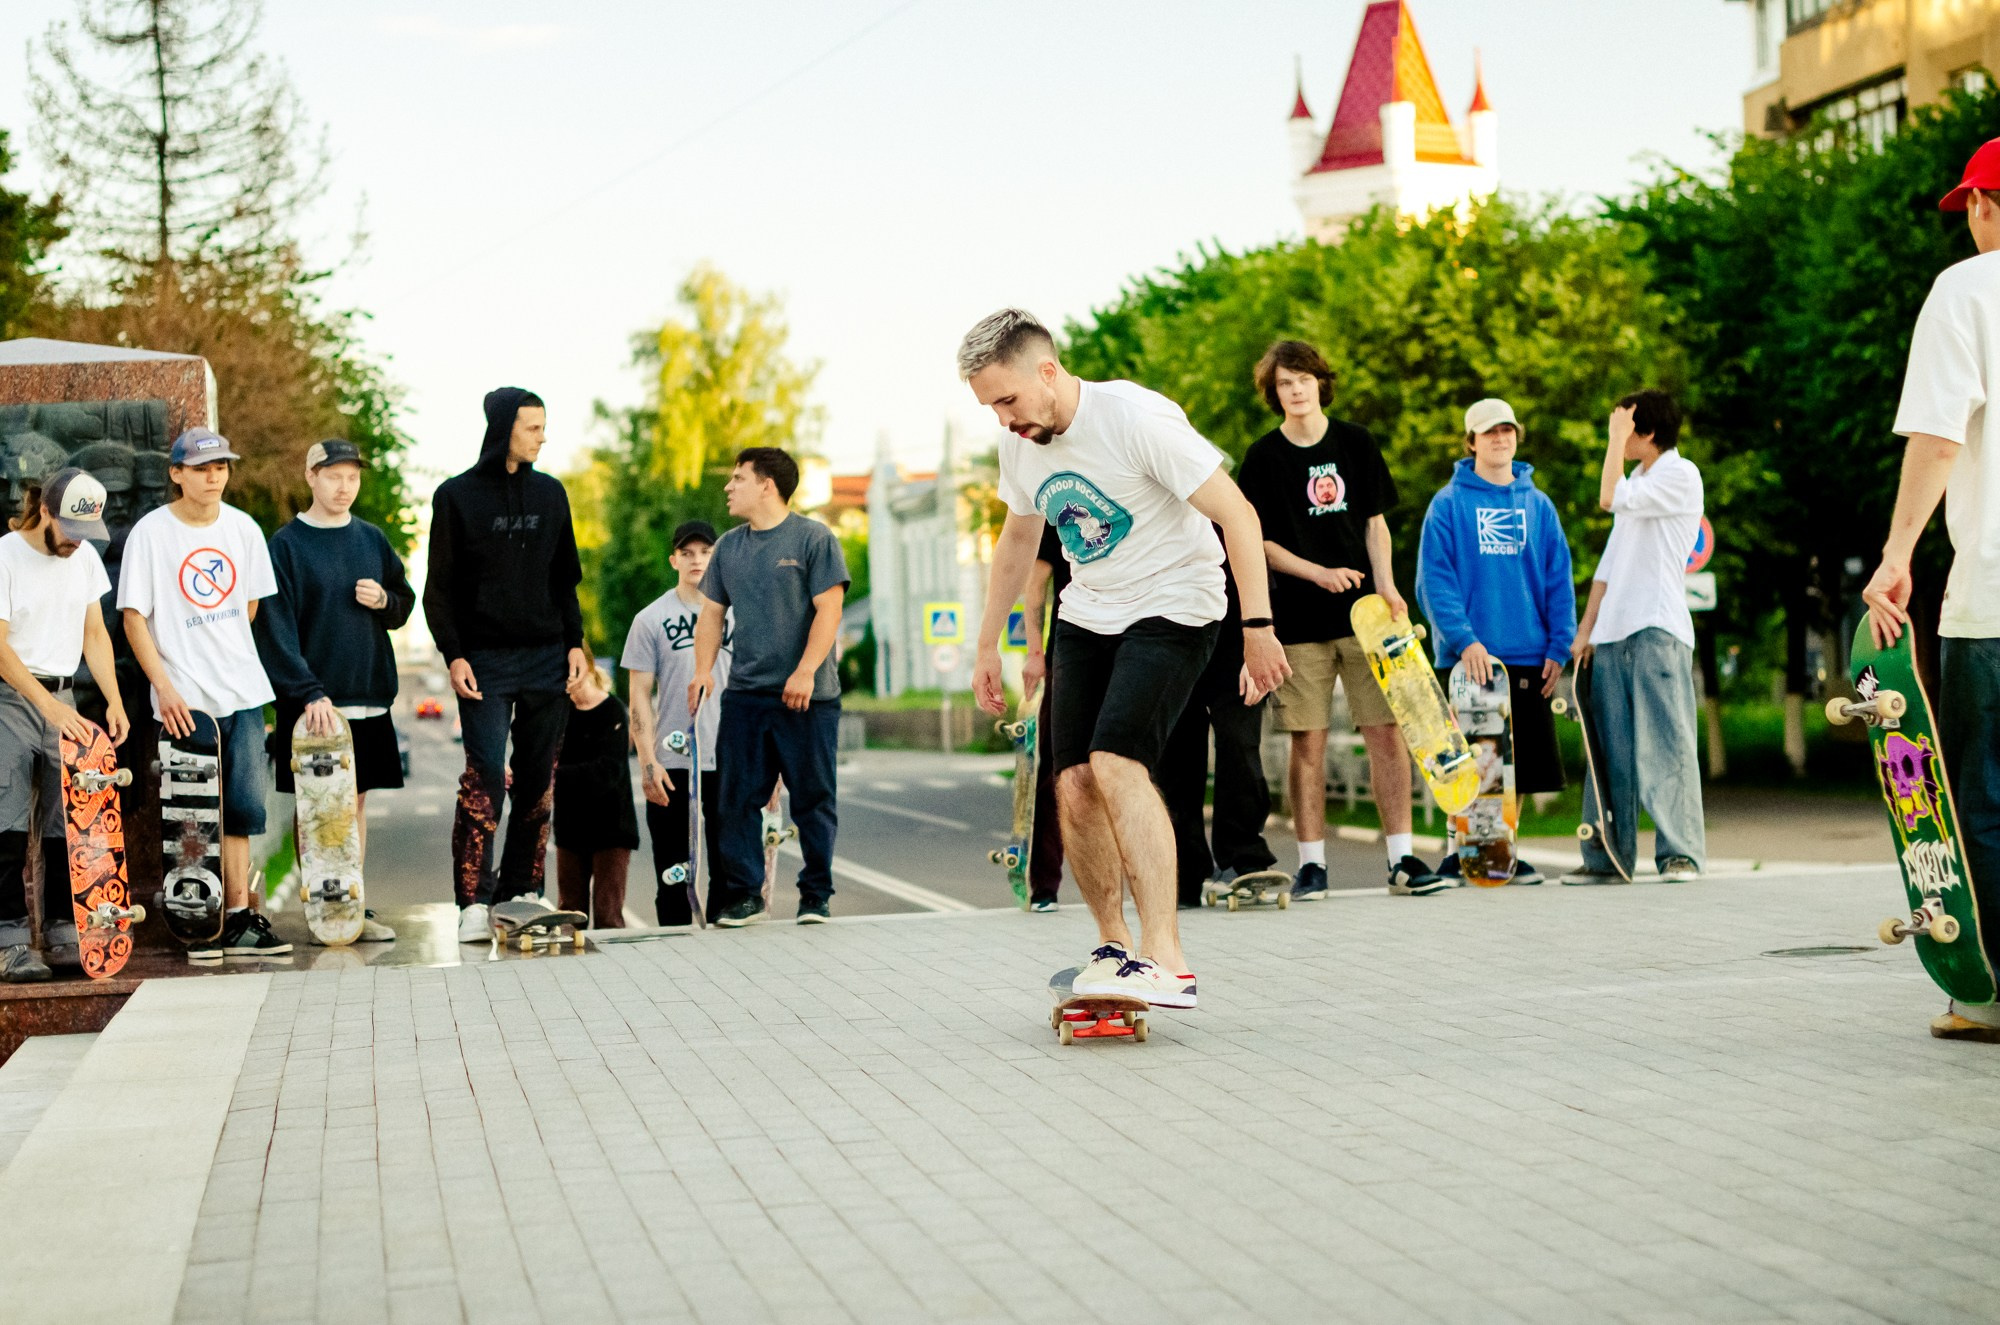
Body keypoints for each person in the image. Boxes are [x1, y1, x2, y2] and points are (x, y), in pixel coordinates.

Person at [962, 309, 1289, 1008]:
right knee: (1073, 780)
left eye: (1008, 400)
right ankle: (1114, 944)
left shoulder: (1136, 419)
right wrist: (989, 643)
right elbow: (1018, 542)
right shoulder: (1019, 446)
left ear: (1046, 372)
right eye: (989, 406)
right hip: (1090, 609)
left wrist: (1257, 625)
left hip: (1178, 600)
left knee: (1117, 762)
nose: (1002, 419)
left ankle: (1166, 953)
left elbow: (1239, 516)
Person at [1861, 139, 2000, 1040]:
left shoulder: (1968, 291)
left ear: (1985, 203)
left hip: (1991, 604)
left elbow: (1941, 439)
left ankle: (1988, 995)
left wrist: (1898, 550)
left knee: (1981, 796)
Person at [1236, 340, 1447, 899]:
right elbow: (1256, 541)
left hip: (1367, 621)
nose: (1297, 389)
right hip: (1299, 623)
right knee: (1309, 743)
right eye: (1285, 382)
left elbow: (1376, 524)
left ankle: (1402, 859)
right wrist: (1317, 572)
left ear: (1320, 383)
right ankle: (1312, 865)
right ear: (1274, 393)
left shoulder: (1355, 442)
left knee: (1385, 733)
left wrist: (1388, 585)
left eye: (1304, 378)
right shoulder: (1262, 458)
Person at [424, 388, 587, 942]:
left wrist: (574, 643)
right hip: (485, 660)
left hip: (546, 656)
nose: (543, 437)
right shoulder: (455, 497)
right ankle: (473, 900)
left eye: (544, 427)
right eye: (533, 428)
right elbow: (438, 590)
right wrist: (454, 654)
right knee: (487, 773)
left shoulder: (551, 494)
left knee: (538, 781)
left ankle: (522, 890)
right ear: (504, 429)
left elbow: (565, 578)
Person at [119, 428, 288, 959]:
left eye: (221, 467)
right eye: (201, 468)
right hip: (183, 696)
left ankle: (239, 916)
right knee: (191, 814)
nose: (214, 476)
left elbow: (250, 608)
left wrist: (226, 655)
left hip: (241, 689)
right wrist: (164, 687)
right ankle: (197, 919)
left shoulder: (243, 529)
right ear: (177, 474)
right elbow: (133, 618)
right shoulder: (152, 533)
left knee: (241, 808)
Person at [254, 440, 413, 944]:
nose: (344, 487)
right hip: (314, 705)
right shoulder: (286, 546)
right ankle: (322, 908)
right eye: (333, 476)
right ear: (310, 477)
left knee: (355, 804)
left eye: (352, 477)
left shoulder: (372, 539)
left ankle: (352, 909)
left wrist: (385, 599)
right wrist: (308, 694)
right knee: (317, 806)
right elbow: (275, 632)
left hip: (367, 694)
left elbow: (404, 605)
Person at [1415, 398, 1578, 885]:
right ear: (1471, 442)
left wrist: (1558, 647)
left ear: (1516, 437)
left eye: (1507, 431)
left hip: (1528, 655)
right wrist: (1464, 640)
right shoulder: (1447, 504)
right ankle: (1457, 851)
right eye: (1489, 433)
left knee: (1517, 766)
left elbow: (1558, 580)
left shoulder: (1538, 504)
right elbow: (1435, 581)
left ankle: (1503, 849)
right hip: (1471, 661)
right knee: (1470, 762)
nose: (1500, 439)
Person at [690, 449, 848, 927]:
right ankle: (745, 896)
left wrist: (805, 670)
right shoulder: (729, 549)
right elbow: (711, 615)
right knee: (734, 799)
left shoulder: (813, 539)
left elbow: (830, 609)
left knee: (813, 799)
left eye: (737, 478)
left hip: (808, 697)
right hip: (746, 695)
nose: (728, 486)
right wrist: (702, 671)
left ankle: (815, 895)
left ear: (767, 485)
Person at [1563, 390, 1705, 885]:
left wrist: (1613, 439)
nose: (1616, 437)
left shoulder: (1678, 476)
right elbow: (1608, 566)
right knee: (1608, 751)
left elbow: (1608, 497)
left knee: (1667, 745)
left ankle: (1680, 853)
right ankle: (1606, 856)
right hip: (1614, 634)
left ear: (1645, 432)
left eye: (1622, 427)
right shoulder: (1641, 481)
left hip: (1657, 627)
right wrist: (1586, 631)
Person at [0, 469, 128, 980]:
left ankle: (62, 930)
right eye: (70, 528)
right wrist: (47, 708)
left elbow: (94, 632)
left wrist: (114, 700)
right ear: (46, 511)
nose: (78, 541)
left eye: (87, 531)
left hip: (64, 698)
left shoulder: (85, 558)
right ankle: (10, 943)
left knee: (68, 824)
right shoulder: (6, 555)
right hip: (10, 696)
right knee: (6, 826)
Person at [1159, 537, 1278, 907]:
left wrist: (1257, 650)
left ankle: (1243, 858)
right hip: (1172, 648)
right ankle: (1185, 870)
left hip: (1233, 650)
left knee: (1240, 746)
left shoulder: (1221, 506)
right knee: (1177, 762)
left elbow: (1260, 582)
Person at [625, 520, 729, 926]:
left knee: (729, 868)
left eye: (705, 552)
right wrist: (648, 761)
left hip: (728, 755)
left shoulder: (736, 614)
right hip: (673, 761)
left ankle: (727, 951)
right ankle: (673, 951)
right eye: (687, 553)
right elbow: (639, 697)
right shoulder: (650, 619)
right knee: (673, 872)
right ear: (674, 560)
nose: (697, 560)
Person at [552, 658, 638, 927]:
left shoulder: (612, 710)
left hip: (611, 827)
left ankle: (612, 969)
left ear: (585, 668)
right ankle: (570, 969)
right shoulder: (559, 712)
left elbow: (609, 771)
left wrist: (556, 776)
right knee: (569, 915)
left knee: (608, 914)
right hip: (569, 827)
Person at [1018, 525, 1069, 912]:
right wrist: (1035, 652)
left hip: (1141, 643)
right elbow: (1035, 585)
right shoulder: (1061, 505)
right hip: (1070, 652)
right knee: (1055, 766)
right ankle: (1045, 884)